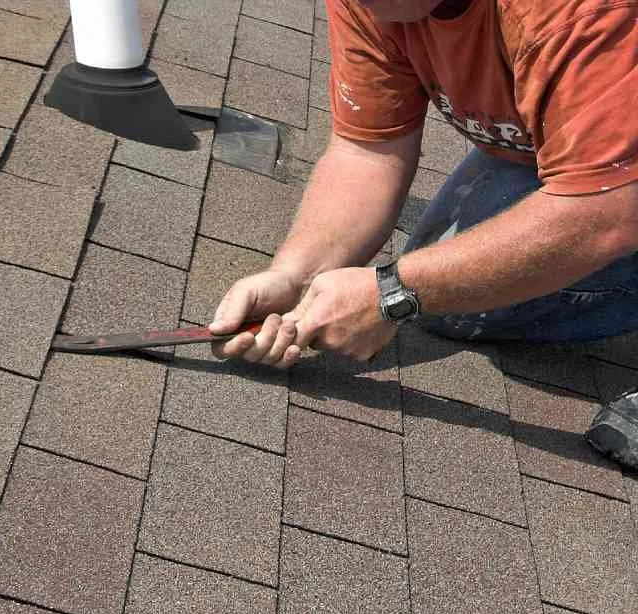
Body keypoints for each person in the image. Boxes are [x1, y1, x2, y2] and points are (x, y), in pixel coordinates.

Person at [209, 0, 638, 466]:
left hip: (620, 195)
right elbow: (368, 150)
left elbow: (609, 211)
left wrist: (393, 293)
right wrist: (296, 276)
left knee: (440, 283)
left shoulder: (578, 12)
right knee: (452, 291)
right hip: (610, 170)